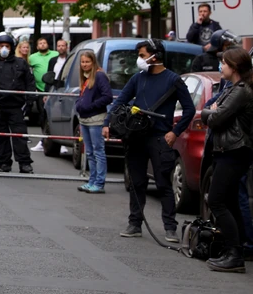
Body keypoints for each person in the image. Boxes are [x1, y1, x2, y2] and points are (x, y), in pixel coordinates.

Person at [103, 39, 195, 242]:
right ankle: (134, 224)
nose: (140, 60)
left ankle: (170, 228)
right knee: (136, 183)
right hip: (136, 138)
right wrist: (107, 123)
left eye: (143, 55)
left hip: (160, 138)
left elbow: (190, 109)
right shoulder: (137, 78)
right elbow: (120, 101)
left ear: (156, 56)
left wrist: (175, 132)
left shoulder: (173, 80)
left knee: (163, 183)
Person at [200, 47, 253, 272]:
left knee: (217, 201)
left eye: (223, 63)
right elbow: (210, 110)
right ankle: (236, 251)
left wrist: (210, 113)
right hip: (226, 150)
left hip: (235, 151)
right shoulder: (232, 88)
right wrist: (210, 111)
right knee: (230, 202)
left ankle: (235, 254)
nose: (220, 66)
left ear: (234, 67)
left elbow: (216, 117)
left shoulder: (241, 90)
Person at [0, 34, 35, 173]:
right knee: (0, 136)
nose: (4, 48)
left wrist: (29, 102)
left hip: (16, 107)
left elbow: (30, 83)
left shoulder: (21, 63)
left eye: (7, 46)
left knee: (19, 136)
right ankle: (4, 162)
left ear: (12, 48)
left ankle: (24, 163)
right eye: (1, 46)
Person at [74, 50, 113, 194]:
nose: (84, 65)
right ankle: (92, 180)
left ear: (93, 62)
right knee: (89, 152)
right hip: (84, 118)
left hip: (95, 118)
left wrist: (90, 106)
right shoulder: (85, 77)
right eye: (83, 62)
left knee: (98, 151)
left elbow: (107, 96)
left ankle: (99, 182)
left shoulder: (99, 76)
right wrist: (79, 104)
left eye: (87, 62)